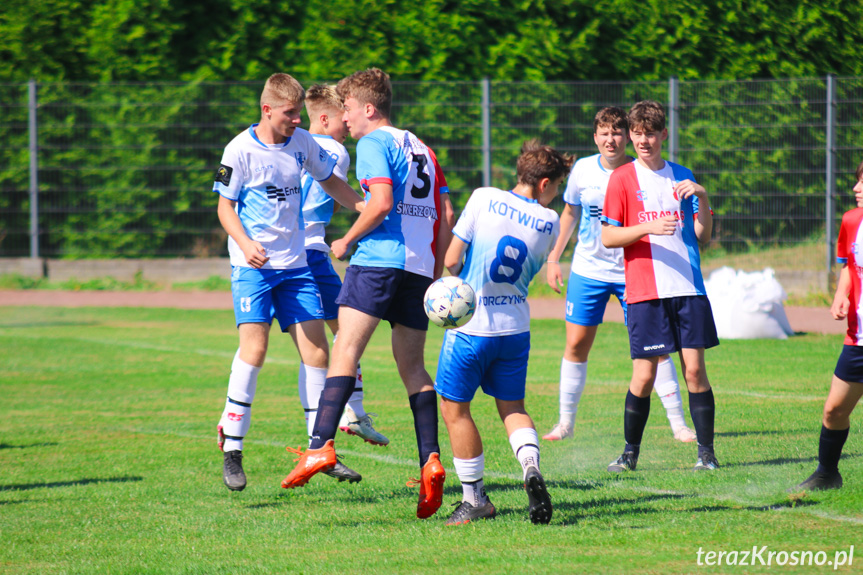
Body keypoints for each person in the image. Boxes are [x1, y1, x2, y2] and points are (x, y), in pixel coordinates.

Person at [280, 68, 455, 520]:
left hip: (378, 260)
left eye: (350, 108)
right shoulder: (421, 147)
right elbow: (444, 214)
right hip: (417, 268)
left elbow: (378, 203)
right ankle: (430, 460)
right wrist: (433, 275)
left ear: (369, 108)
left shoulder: (375, 143)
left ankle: (320, 446)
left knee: (345, 349)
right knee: (414, 369)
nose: (347, 117)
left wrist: (347, 241)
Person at [213, 73, 364, 492]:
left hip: (295, 266)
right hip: (253, 268)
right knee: (255, 349)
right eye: (289, 113)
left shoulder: (302, 143)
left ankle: (321, 449)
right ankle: (232, 444)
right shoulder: (239, 149)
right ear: (266, 109)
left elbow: (330, 180)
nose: (298, 120)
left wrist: (365, 207)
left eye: (299, 113)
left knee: (317, 353)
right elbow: (225, 208)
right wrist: (245, 243)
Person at [436, 140, 570, 526]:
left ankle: (475, 499)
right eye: (558, 186)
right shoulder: (550, 221)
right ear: (544, 183)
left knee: (455, 409)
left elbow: (451, 259)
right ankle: (530, 466)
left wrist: (452, 287)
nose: (556, 194)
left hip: (471, 327)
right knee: (512, 408)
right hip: (514, 329)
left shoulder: (483, 197)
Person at [544, 107, 696, 443]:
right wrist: (555, 257)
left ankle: (678, 424)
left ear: (627, 136)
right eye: (603, 133)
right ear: (594, 136)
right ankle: (565, 422)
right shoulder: (583, 170)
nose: (610, 140)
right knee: (576, 344)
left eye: (616, 133)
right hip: (588, 270)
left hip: (634, 271)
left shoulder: (639, 170)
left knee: (656, 349)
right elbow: (570, 212)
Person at [600, 100, 720, 473]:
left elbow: (701, 235)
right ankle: (629, 453)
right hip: (645, 292)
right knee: (645, 374)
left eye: (650, 133)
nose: (643, 141)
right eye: (637, 134)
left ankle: (707, 454)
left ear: (663, 134)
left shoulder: (682, 176)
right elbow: (607, 236)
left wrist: (701, 197)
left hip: (687, 287)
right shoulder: (622, 178)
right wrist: (648, 228)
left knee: (695, 371)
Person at [299, 84, 389, 449]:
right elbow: (331, 194)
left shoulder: (294, 142)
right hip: (310, 251)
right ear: (324, 118)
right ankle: (345, 418)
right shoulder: (334, 150)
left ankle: (353, 413)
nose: (346, 127)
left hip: (289, 249)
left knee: (338, 336)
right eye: (341, 120)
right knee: (342, 337)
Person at [793, 159, 863, 491]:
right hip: (858, 337)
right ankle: (827, 474)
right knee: (834, 409)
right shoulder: (851, 221)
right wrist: (841, 293)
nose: (856, 188)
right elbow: (849, 266)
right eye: (857, 180)